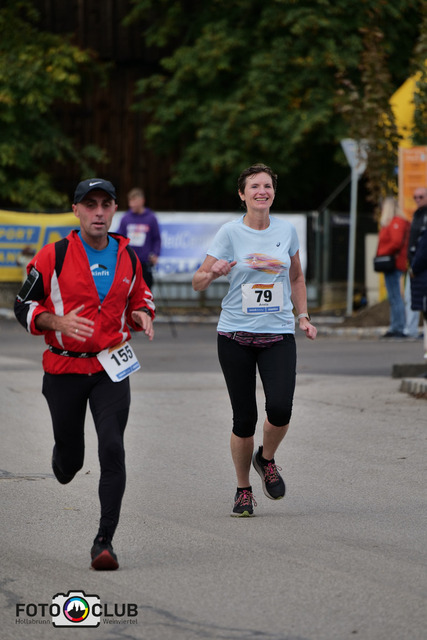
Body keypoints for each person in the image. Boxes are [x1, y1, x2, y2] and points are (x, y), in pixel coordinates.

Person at [14, 178, 155, 570]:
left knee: (112, 447)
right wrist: (55, 321)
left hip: (111, 367)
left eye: (105, 204)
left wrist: (142, 314)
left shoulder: (128, 256)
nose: (98, 212)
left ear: (114, 210)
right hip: (64, 368)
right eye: (90, 204)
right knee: (70, 463)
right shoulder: (54, 255)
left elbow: (141, 296)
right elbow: (23, 304)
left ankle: (104, 542)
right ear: (75, 210)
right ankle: (64, 457)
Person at [192, 163, 317, 517]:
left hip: (278, 334)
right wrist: (212, 273)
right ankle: (243, 489)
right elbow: (197, 282)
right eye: (254, 186)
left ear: (273, 193)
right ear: (242, 194)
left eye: (267, 186)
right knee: (244, 419)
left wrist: (303, 316)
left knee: (280, 409)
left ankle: (266, 459)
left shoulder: (286, 231)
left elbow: (296, 278)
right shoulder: (230, 233)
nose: (262, 191)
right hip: (235, 335)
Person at [375, 197, 410, 338]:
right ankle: (396, 326)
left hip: (393, 263)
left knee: (395, 296)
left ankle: (398, 327)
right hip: (393, 263)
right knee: (394, 296)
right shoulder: (394, 222)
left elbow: (396, 243)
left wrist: (382, 253)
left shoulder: (396, 222)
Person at [117, 187, 161, 289]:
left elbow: (156, 239)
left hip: (145, 262)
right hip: (129, 263)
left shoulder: (151, 218)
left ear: (142, 201)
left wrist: (155, 254)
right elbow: (120, 239)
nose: (132, 205)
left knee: (145, 290)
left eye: (135, 201)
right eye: (130, 201)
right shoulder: (125, 218)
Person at [406, 187, 427, 337]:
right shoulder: (416, 215)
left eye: (421, 197)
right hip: (415, 264)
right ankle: (411, 329)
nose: (417, 200)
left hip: (422, 265)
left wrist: (416, 265)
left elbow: (424, 247)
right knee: (411, 298)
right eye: (415, 197)